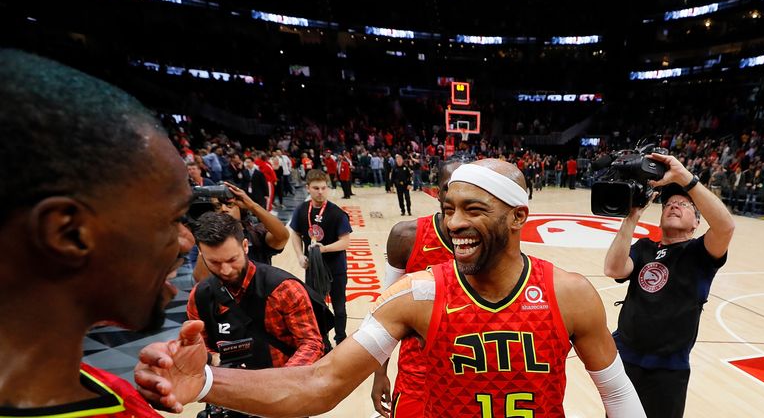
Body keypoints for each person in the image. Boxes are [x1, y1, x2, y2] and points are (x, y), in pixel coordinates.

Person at [135, 159, 645, 418]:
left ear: (517, 218)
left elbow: (618, 395)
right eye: (448, 209)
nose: (455, 224)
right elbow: (321, 383)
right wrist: (205, 383)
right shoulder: (416, 295)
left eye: (474, 209)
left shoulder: (569, 294)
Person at [0, 49, 193, 416]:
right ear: (69, 233)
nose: (186, 241)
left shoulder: (92, 383)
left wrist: (212, 381)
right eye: (174, 218)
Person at [604, 152, 735, 418]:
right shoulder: (644, 247)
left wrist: (685, 178)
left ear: (697, 222)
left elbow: (725, 226)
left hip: (667, 370)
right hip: (625, 358)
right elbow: (613, 268)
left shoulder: (700, 252)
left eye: (684, 205)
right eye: (669, 204)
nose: (674, 205)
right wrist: (631, 218)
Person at [187, 213, 323, 393]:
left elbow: (311, 343)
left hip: (283, 390)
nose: (225, 270)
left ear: (245, 246)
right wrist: (213, 359)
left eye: (232, 259)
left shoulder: (284, 289)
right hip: (229, 392)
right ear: (201, 254)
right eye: (214, 262)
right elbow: (201, 346)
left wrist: (277, 385)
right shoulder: (200, 297)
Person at [370, 159, 460, 417]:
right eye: (449, 188)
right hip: (416, 374)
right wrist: (379, 372)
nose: (456, 196)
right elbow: (383, 311)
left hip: (468, 373)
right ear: (437, 191)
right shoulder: (406, 236)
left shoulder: (491, 243)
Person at [289, 169, 352, 346]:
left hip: (336, 269)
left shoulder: (337, 213)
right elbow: (295, 232)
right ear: (308, 188)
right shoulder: (301, 210)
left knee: (339, 307)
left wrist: (324, 249)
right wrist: (300, 255)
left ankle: (341, 339)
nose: (320, 192)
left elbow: (345, 242)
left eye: (324, 188)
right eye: (316, 188)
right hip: (314, 268)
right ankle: (322, 341)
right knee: (316, 307)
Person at [192, 181, 290, 282]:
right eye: (217, 206)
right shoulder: (203, 241)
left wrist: (252, 205)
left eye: (229, 204)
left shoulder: (256, 234)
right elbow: (200, 279)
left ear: (241, 207)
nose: (223, 209)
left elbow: (283, 236)